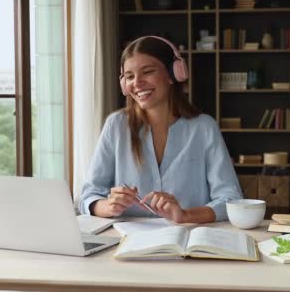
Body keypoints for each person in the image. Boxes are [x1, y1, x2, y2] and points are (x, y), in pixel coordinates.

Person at [79, 36, 243, 224]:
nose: (137, 83)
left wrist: (185, 215)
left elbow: (231, 199)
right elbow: (88, 196)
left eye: (147, 72)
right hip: (128, 243)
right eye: (130, 76)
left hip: (188, 239)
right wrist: (107, 206)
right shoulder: (115, 126)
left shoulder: (204, 127)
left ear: (173, 74)